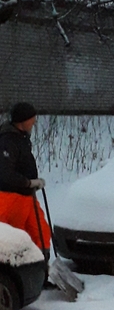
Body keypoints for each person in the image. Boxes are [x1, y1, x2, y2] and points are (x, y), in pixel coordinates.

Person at [0, 102, 51, 264]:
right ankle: (13, 276)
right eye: (32, 118)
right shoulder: (7, 141)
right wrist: (28, 182)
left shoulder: (22, 138)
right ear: (21, 120)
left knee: (41, 232)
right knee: (11, 239)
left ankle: (41, 272)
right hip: (9, 197)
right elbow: (5, 174)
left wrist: (32, 184)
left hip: (27, 197)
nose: (34, 121)